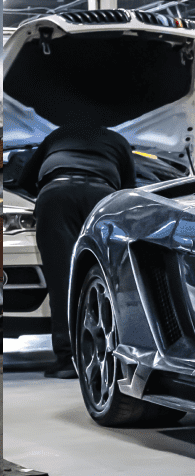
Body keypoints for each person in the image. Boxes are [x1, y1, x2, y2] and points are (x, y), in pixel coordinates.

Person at [17, 125, 136, 379]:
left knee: (62, 280)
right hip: (101, 197)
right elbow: (128, 189)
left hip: (57, 195)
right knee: (104, 277)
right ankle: (108, 353)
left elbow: (24, 179)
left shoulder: (57, 136)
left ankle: (67, 361)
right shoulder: (117, 140)